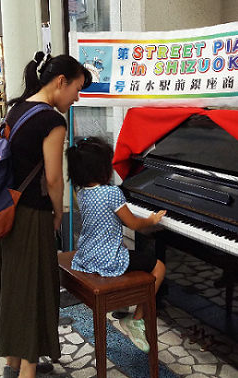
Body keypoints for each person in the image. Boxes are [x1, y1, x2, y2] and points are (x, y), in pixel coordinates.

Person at [0, 51, 92, 378]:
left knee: (14, 288)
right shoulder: (51, 120)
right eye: (76, 89)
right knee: (32, 290)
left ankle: (13, 364)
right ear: (61, 81)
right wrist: (58, 215)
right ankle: (29, 371)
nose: (75, 98)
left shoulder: (17, 108)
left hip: (7, 211)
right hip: (32, 215)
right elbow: (54, 178)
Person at [65, 136, 167, 353]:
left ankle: (134, 307)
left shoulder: (81, 192)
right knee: (158, 266)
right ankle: (136, 319)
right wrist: (152, 220)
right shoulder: (111, 193)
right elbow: (134, 224)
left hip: (87, 256)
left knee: (139, 255)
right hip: (109, 259)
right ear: (102, 169)